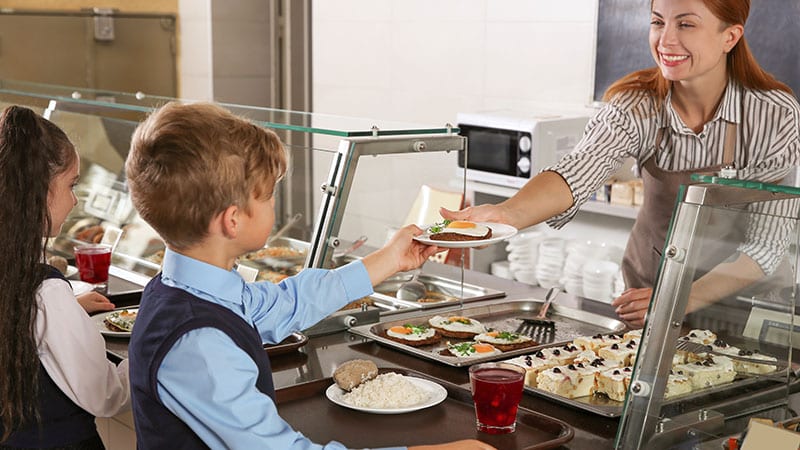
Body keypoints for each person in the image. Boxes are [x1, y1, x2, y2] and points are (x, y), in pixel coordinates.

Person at [125, 101, 495, 450]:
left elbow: (288, 302)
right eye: (268, 196)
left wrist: (391, 258)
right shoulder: (199, 343)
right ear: (232, 220)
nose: (273, 204)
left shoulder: (189, 287)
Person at [443, 0, 800, 328]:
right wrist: (507, 215)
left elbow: (765, 246)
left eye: (686, 25)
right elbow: (577, 170)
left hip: (742, 308)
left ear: (730, 36)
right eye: (658, 22)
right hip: (651, 294)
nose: (666, 40)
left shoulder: (773, 114)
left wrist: (676, 298)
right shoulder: (637, 105)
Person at [0, 106, 130, 448]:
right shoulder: (46, 294)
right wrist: (149, 345)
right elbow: (107, 396)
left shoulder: (38, 293)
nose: (74, 200)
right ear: (38, 190)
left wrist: (67, 310)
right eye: (71, 184)